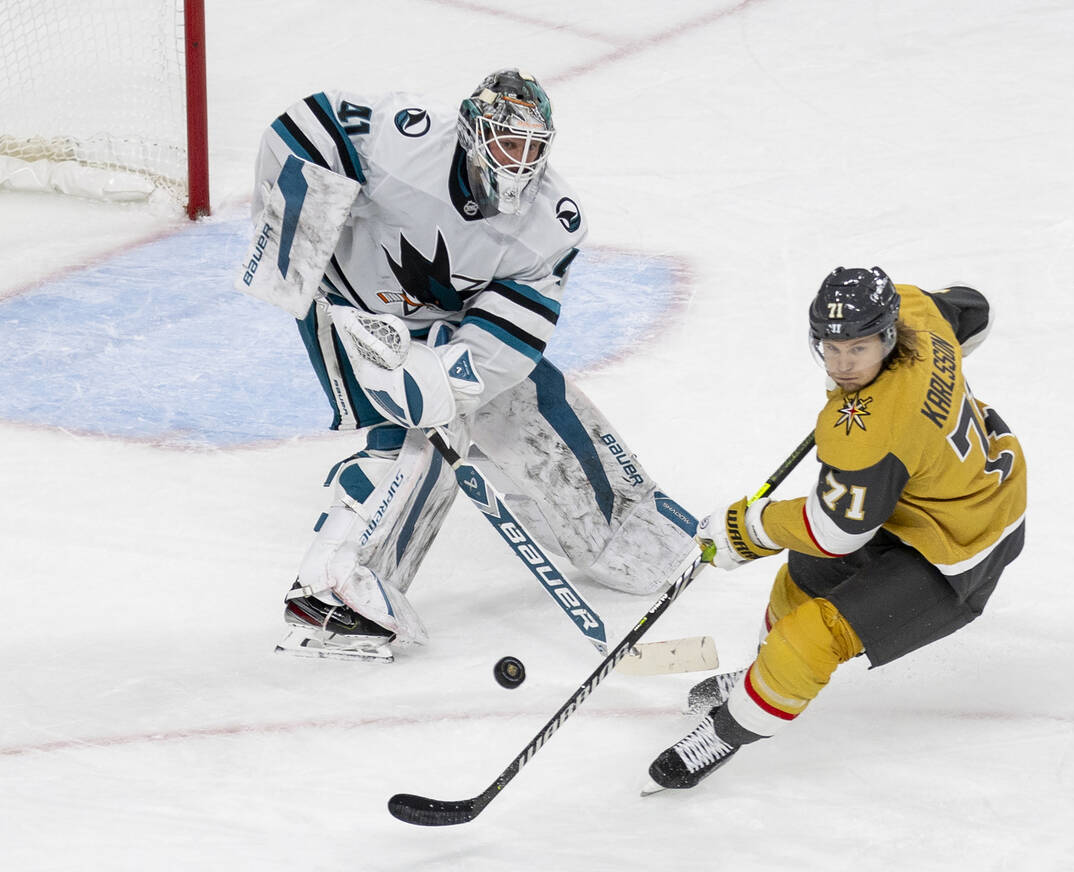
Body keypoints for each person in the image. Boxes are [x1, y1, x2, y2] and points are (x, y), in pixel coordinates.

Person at [244, 69, 698, 661]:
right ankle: (337, 587)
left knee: (531, 398)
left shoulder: (551, 222)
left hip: (447, 328)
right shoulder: (404, 142)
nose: (522, 162)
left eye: (535, 148)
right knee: (417, 440)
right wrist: (295, 239)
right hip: (352, 312)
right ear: (474, 134)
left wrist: (446, 378)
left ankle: (624, 532)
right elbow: (305, 128)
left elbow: (513, 332)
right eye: (510, 144)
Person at [644, 266, 1026, 792]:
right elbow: (974, 311)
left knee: (809, 638)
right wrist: (925, 380)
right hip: (925, 494)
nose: (844, 364)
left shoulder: (870, 432)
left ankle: (727, 732)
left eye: (860, 349)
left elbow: (835, 533)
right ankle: (761, 677)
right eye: (832, 347)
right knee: (802, 576)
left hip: (964, 547)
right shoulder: (914, 307)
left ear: (889, 335)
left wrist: (745, 529)